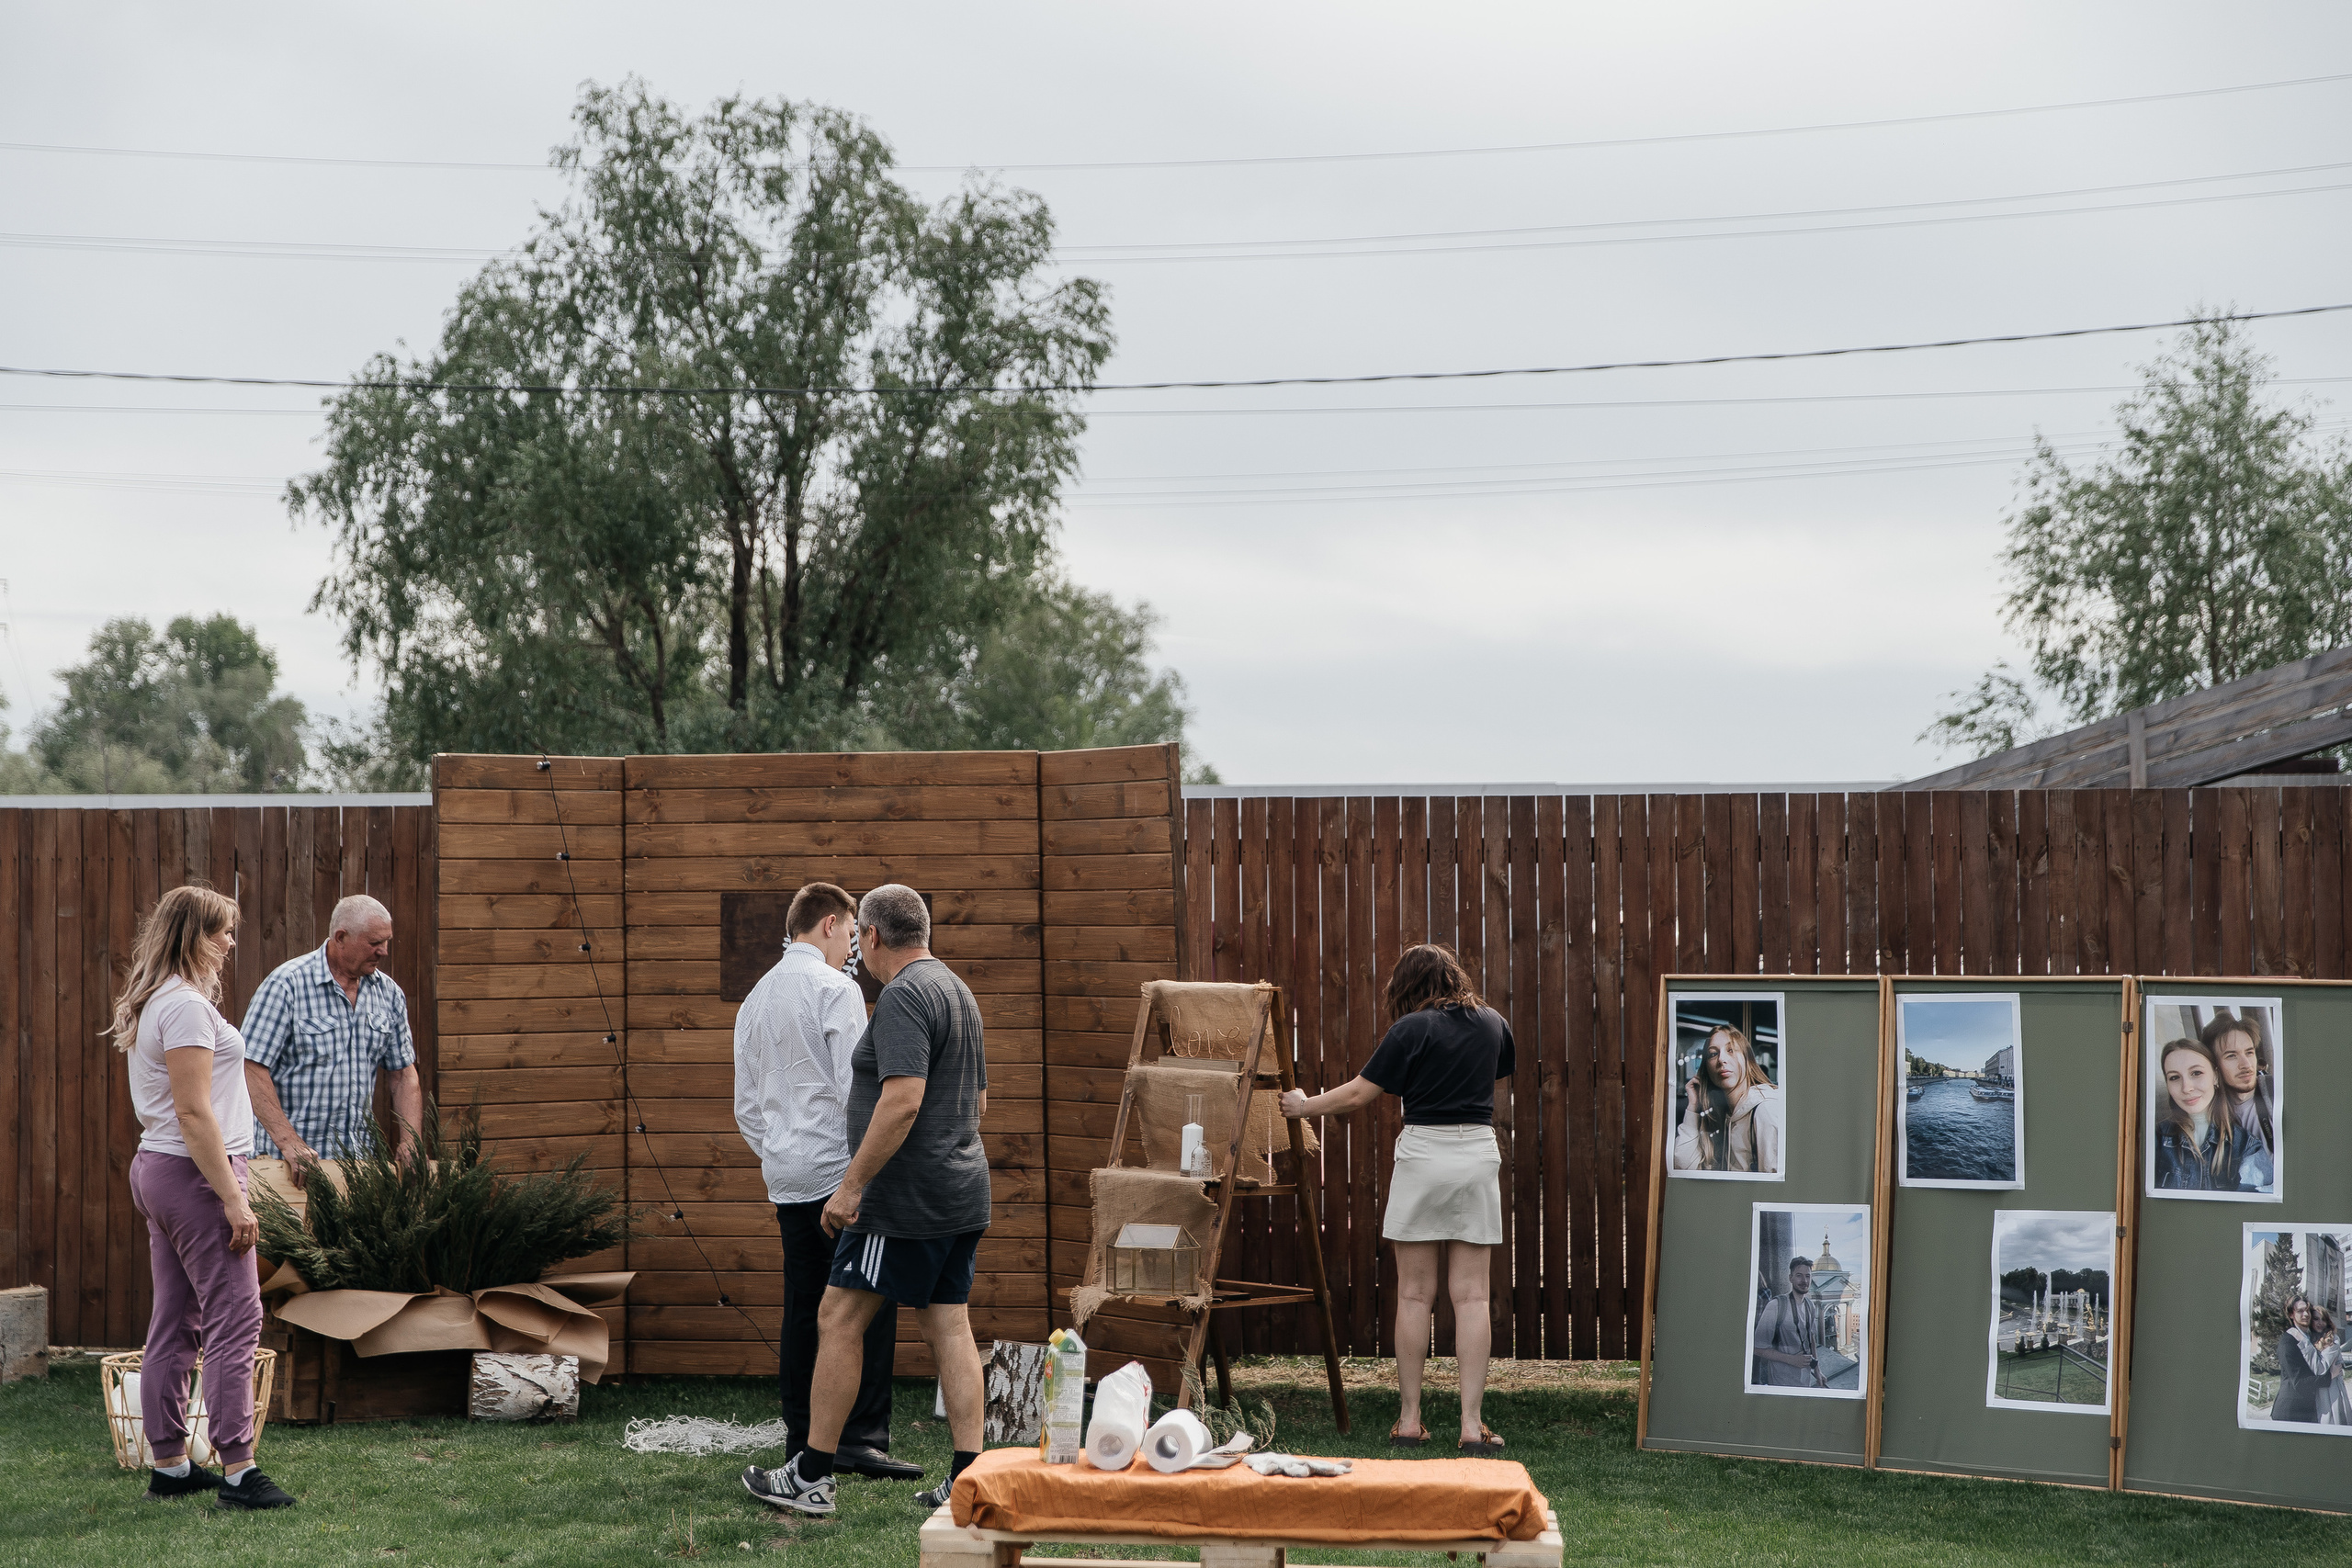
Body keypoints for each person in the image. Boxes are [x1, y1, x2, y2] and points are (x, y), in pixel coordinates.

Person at [742, 885, 990, 1517]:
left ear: (873, 936)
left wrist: (852, 1185)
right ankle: (969, 1478)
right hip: (962, 1192)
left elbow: (902, 1098)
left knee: (836, 1318)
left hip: (902, 1201)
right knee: (950, 1325)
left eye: (860, 939)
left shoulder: (903, 996)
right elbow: (977, 1103)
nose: (856, 950)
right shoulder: (956, 991)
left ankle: (814, 1475)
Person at [1278, 943, 1513, 1456]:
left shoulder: (1411, 1028)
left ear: (1408, 988)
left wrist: (1303, 1106)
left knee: (1414, 1295)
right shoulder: (1493, 1022)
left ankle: (1410, 1422)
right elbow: (1495, 1072)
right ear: (1452, 978)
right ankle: (1472, 1428)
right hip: (1476, 1153)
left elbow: (1360, 1094)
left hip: (1424, 1156)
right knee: (1472, 1297)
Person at [111, 884, 296, 1510]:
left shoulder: (158, 998)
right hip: (195, 1174)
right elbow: (193, 1111)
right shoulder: (186, 1006)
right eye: (222, 931)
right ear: (194, 936)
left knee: (177, 1318)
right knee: (235, 1318)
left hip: (161, 1169)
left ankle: (169, 1463)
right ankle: (239, 1469)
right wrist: (235, 1199)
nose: (231, 942)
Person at [732, 882, 919, 1482]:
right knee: (868, 1303)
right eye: (850, 937)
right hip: (841, 1175)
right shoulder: (835, 989)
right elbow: (855, 1090)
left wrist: (778, 1155)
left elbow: (745, 1108)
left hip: (786, 1177)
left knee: (802, 1308)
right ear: (831, 924)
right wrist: (860, 1170)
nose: (854, 953)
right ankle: (858, 1439)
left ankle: (801, 1437)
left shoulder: (754, 999)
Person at [240, 895, 421, 1182]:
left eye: (386, 941)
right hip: (289, 1166)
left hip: (360, 1164)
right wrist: (289, 1142)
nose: (384, 951)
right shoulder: (287, 985)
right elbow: (250, 1068)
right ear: (341, 937)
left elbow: (403, 1074)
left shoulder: (389, 994)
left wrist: (411, 1140)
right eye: (375, 943)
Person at [1669, 1023, 1781, 1175]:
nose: (1722, 1059)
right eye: (1713, 1054)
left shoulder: (1764, 1110)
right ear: (1706, 1068)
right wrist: (1693, 1106)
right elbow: (1684, 1168)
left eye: (1731, 1050)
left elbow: (1774, 1190)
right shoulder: (1722, 1114)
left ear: (1747, 1060)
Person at [2152, 1036, 2254, 1192]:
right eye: (2174, 1077)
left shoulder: (2247, 1146)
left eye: (2196, 1073)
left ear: (2215, 1076)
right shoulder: (2155, 1139)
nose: (2186, 1088)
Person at [2205, 1013, 2277, 1193]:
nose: (2246, 1065)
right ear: (2214, 1067)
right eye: (2231, 1056)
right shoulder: (2207, 1114)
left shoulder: (2278, 1093)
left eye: (2249, 1052)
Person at [1751, 1256, 1826, 1389]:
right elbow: (1757, 1348)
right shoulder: (1775, 1305)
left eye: (1808, 1276)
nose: (1804, 1281)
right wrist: (1792, 1360)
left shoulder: (1810, 1305)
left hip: (1805, 1381)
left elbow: (1811, 1339)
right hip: (1781, 1382)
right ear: (1790, 1278)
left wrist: (1818, 1371)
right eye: (1799, 1276)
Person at [2274, 1296, 2331, 1423]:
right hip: (2290, 1413)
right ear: (2291, 1314)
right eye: (2300, 1311)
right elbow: (2300, 1383)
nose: (2306, 1314)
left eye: (2307, 1310)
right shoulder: (2288, 1342)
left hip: (2308, 1410)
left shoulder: (2309, 1337)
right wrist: (2330, 1377)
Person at [2312, 1306, 2351, 1426]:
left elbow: (2320, 1369)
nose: (2320, 1323)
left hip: (2331, 1387)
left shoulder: (2333, 1340)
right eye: (2316, 1319)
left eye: (2323, 1319)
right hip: (2317, 1387)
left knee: (2332, 1421)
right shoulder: (2311, 1338)